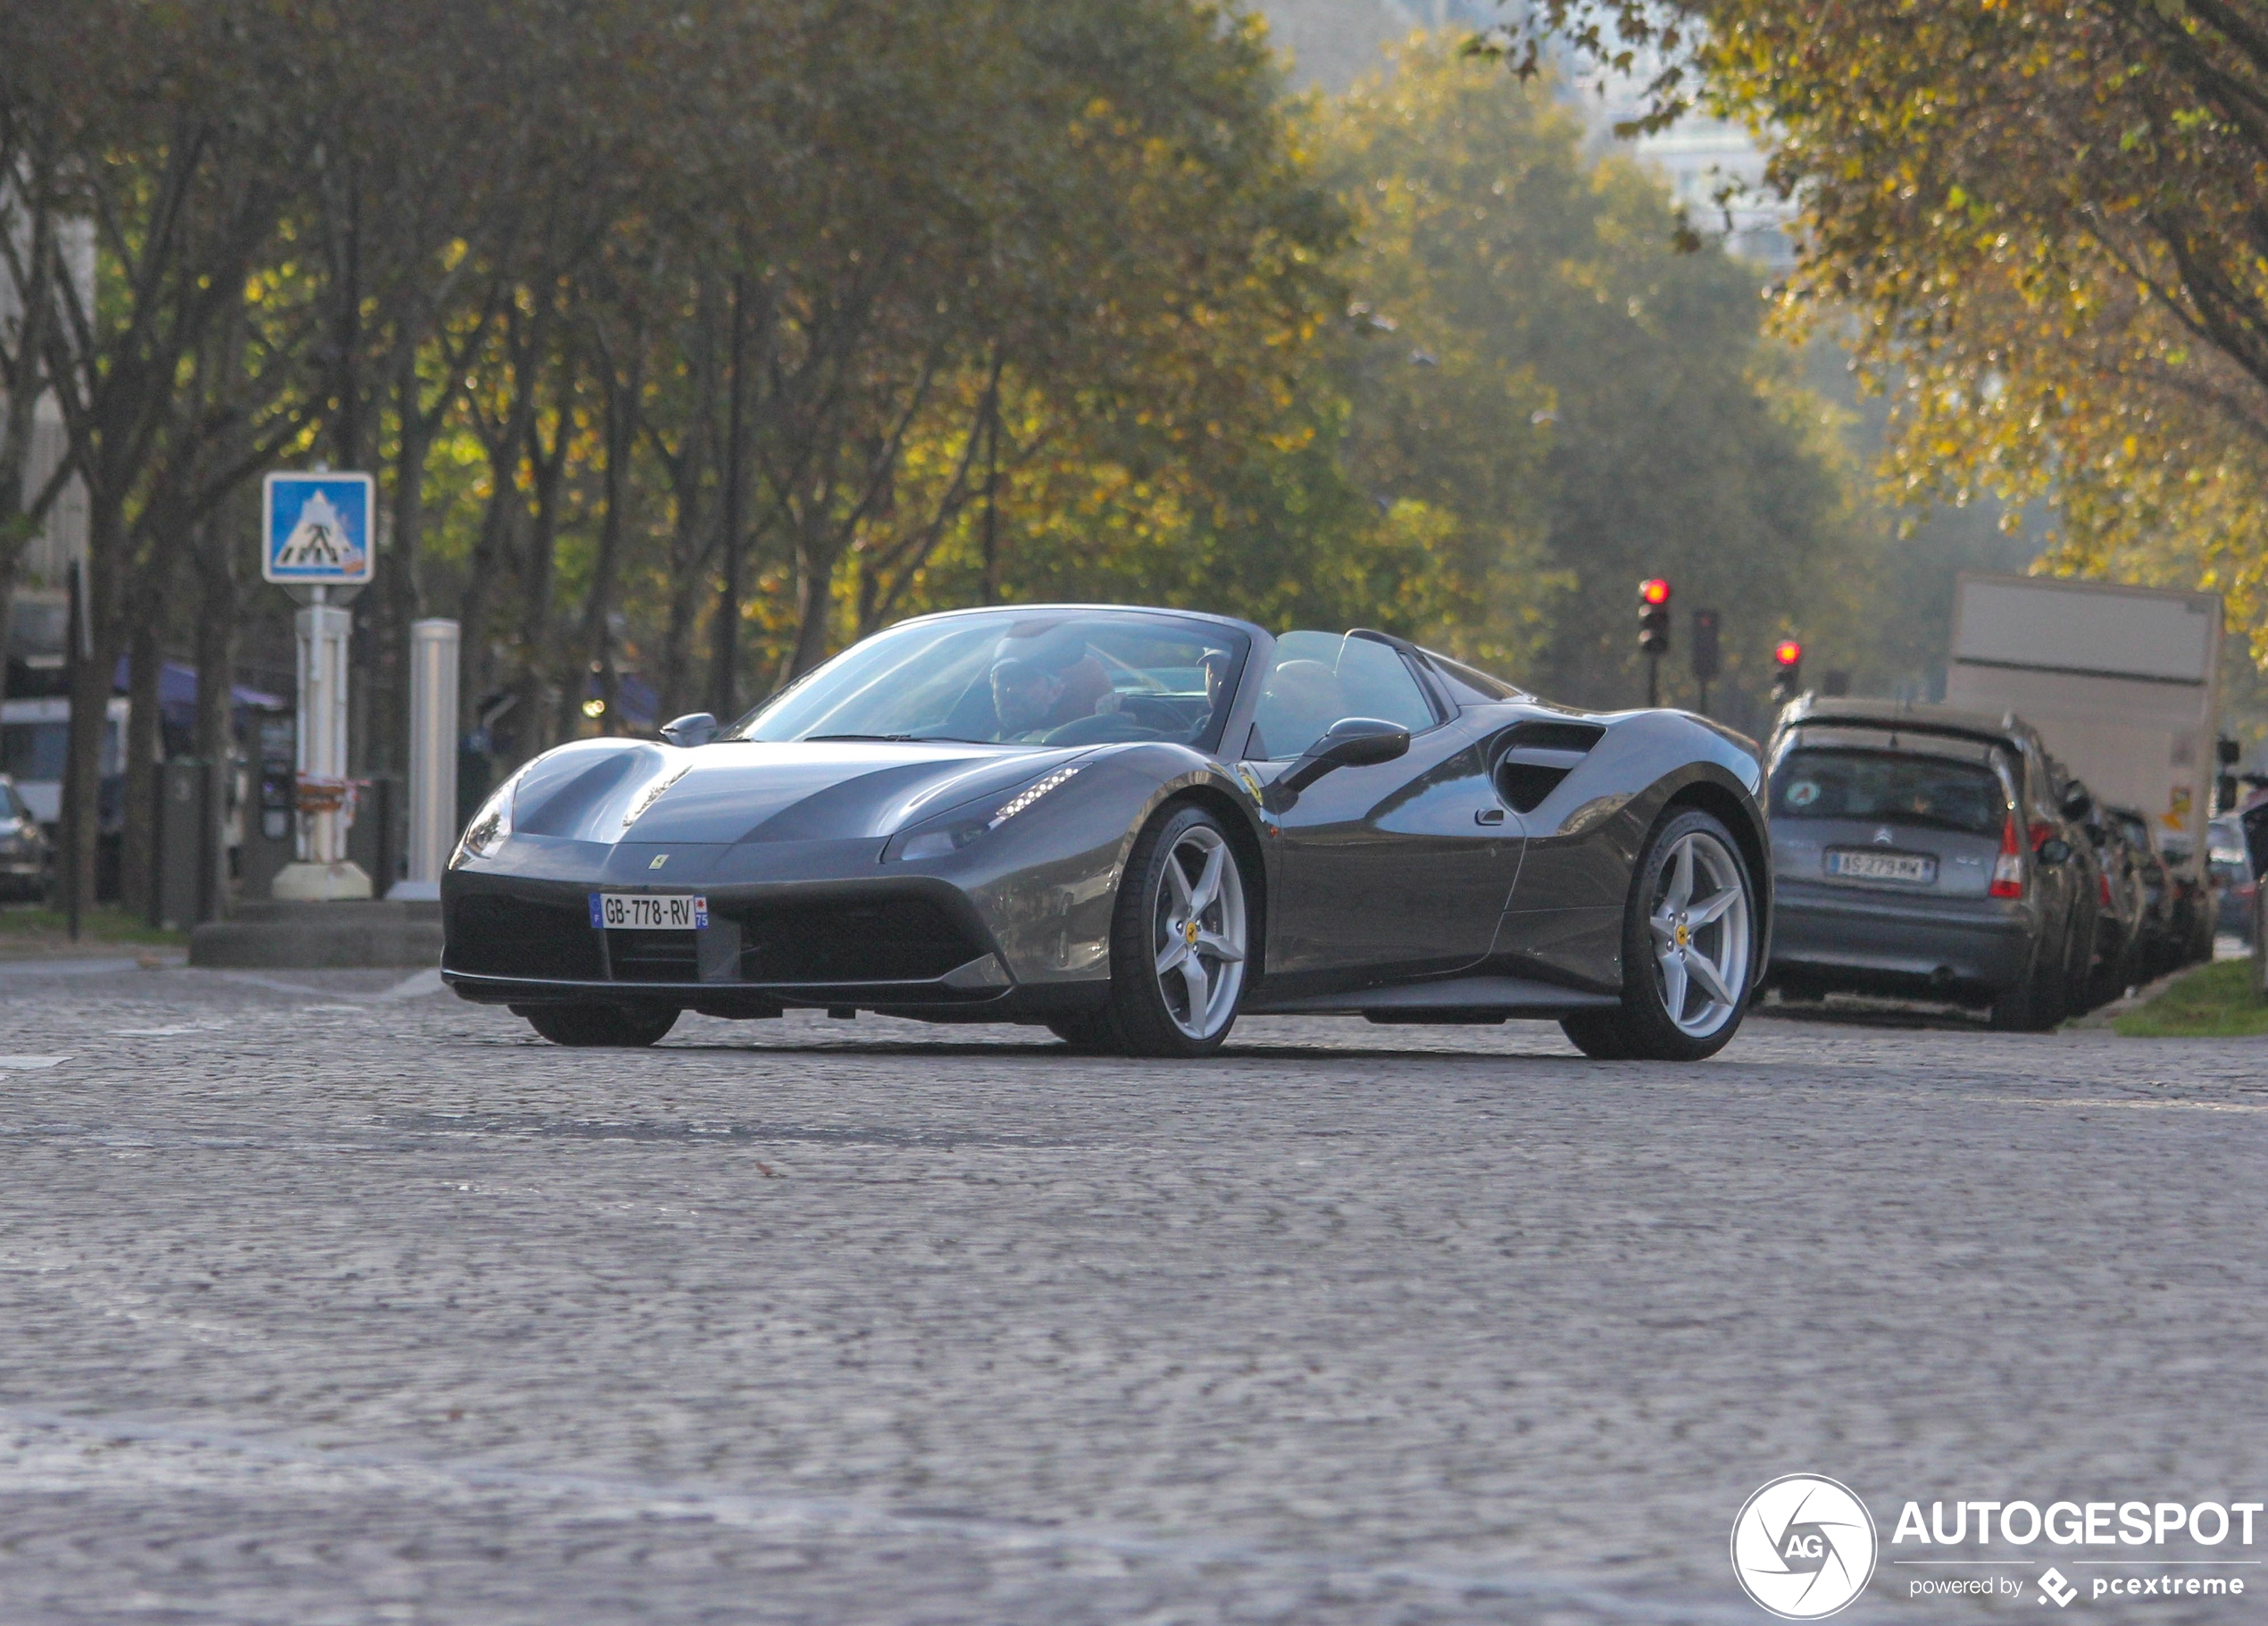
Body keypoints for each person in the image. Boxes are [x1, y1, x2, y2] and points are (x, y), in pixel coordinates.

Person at [988, 626, 1116, 740]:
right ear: (992, 685)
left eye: (1025, 680)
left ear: (1055, 690)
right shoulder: (972, 735)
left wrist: (1113, 715)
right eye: (1003, 679)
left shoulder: (1097, 743)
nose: (1011, 690)